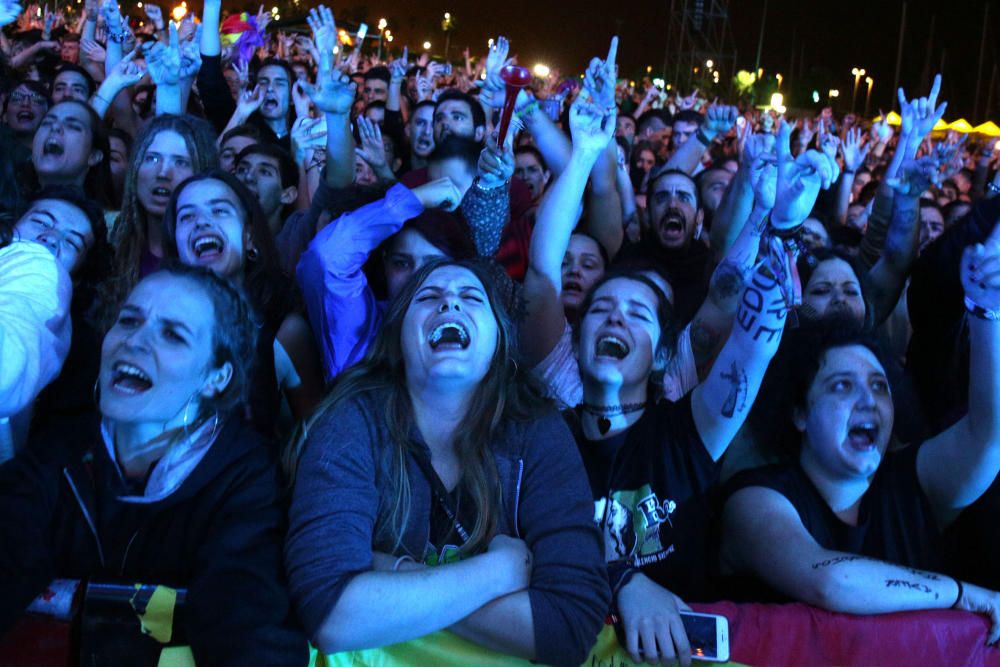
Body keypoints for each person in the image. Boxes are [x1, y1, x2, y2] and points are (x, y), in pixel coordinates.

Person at [285, 258, 610, 665]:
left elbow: (569, 626)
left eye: (472, 297)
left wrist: (392, 574)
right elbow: (330, 615)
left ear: (498, 342)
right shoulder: (351, 420)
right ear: (399, 338)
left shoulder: (537, 428)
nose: (450, 305)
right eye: (429, 297)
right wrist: (499, 572)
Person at [0, 265, 308, 664]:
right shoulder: (61, 451)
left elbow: (250, 626)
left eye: (172, 335)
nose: (134, 340)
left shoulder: (247, 480)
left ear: (215, 378)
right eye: (129, 320)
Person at [719, 267, 1000, 638]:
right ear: (800, 413)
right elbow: (833, 581)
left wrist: (987, 312)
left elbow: (987, 435)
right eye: (841, 386)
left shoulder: (912, 480)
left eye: (880, 386)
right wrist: (959, 592)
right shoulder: (754, 498)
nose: (868, 400)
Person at [164, 170, 323, 433]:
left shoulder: (284, 333)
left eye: (220, 211)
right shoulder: (154, 326)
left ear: (249, 237)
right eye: (187, 216)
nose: (202, 222)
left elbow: (315, 440)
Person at [110, 114, 218, 298]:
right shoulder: (111, 247)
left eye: (181, 162)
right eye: (152, 159)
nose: (163, 173)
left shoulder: (214, 256)